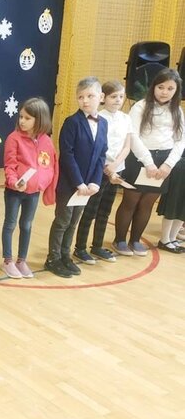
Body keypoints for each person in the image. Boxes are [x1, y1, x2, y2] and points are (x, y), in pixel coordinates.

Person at [113, 69, 185, 256]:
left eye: (170, 88)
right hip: (139, 159)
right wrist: (148, 163)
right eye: (161, 87)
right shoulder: (140, 106)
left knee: (147, 203)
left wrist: (168, 164)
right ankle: (119, 240)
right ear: (154, 87)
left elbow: (180, 141)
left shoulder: (177, 110)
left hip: (163, 162)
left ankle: (135, 240)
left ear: (176, 90)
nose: (164, 92)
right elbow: (133, 136)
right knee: (131, 201)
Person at [45, 77, 108, 278]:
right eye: (81, 97)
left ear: (101, 97)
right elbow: (67, 154)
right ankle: (53, 258)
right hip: (70, 183)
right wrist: (78, 182)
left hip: (87, 186)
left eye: (90, 96)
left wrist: (95, 181)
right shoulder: (72, 122)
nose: (85, 100)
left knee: (74, 222)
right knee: (62, 221)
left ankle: (65, 255)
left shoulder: (104, 123)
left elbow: (101, 154)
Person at [74, 81, 131, 264]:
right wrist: (107, 169)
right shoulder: (100, 117)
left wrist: (115, 167)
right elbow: (98, 148)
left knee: (105, 211)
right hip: (100, 171)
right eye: (114, 96)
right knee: (90, 211)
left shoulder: (125, 118)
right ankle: (80, 248)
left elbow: (127, 146)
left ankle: (97, 246)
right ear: (103, 98)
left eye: (121, 96)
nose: (118, 100)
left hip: (116, 171)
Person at [1, 98, 58, 279]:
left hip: (33, 193)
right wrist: (14, 182)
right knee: (10, 224)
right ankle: (8, 261)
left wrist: (43, 185)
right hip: (14, 191)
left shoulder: (46, 141)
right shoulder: (13, 138)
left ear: (39, 119)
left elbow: (49, 166)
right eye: (21, 117)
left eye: (27, 118)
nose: (22, 121)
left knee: (26, 225)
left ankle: (21, 260)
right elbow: (9, 165)